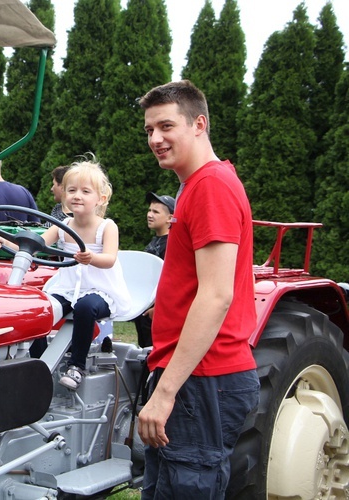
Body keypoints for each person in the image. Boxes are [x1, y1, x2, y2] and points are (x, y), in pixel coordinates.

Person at [137, 80, 259, 498]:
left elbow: (216, 294)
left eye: (166, 126)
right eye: (149, 129)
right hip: (192, 376)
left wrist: (166, 391)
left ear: (199, 124)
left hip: (203, 379)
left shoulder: (210, 186)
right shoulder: (194, 186)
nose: (155, 138)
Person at [0, 160, 131, 390]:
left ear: (100, 199)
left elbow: (110, 258)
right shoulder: (63, 225)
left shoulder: (107, 227)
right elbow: (34, 244)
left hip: (101, 290)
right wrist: (4, 242)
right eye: (72, 190)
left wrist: (91, 258)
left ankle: (77, 366)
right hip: (67, 287)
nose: (77, 196)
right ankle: (38, 363)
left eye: (85, 191)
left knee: (85, 307)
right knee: (39, 307)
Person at [132, 192, 175, 348]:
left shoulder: (173, 244)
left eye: (156, 212)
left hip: (159, 312)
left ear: (170, 218)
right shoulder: (155, 241)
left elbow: (173, 280)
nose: (149, 215)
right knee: (143, 353)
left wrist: (159, 308)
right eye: (149, 210)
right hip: (144, 309)